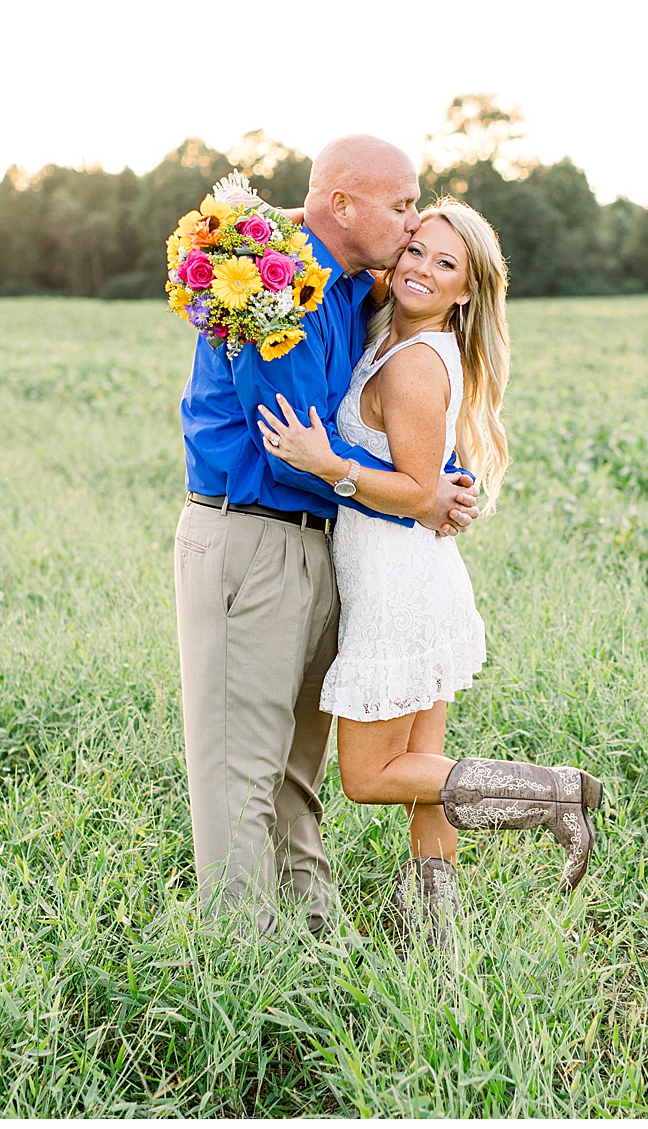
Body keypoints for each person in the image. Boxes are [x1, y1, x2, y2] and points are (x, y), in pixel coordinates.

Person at [255, 198, 602, 941]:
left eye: (447, 265)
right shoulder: (399, 334)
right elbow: (429, 479)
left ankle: (551, 795)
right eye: (417, 250)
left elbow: (415, 492)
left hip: (394, 585)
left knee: (370, 777)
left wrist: (329, 464)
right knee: (425, 775)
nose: (420, 269)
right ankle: (439, 942)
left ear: (467, 290)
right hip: (417, 573)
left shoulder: (414, 362)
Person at [174, 135, 480, 937]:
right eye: (404, 203)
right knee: (242, 770)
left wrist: (437, 480)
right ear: (343, 206)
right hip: (252, 535)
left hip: (326, 546)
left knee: (294, 772)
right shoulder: (268, 289)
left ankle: (312, 940)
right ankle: (242, 962)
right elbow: (299, 448)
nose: (414, 223)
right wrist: (420, 499)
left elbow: (391, 422)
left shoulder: (349, 283)